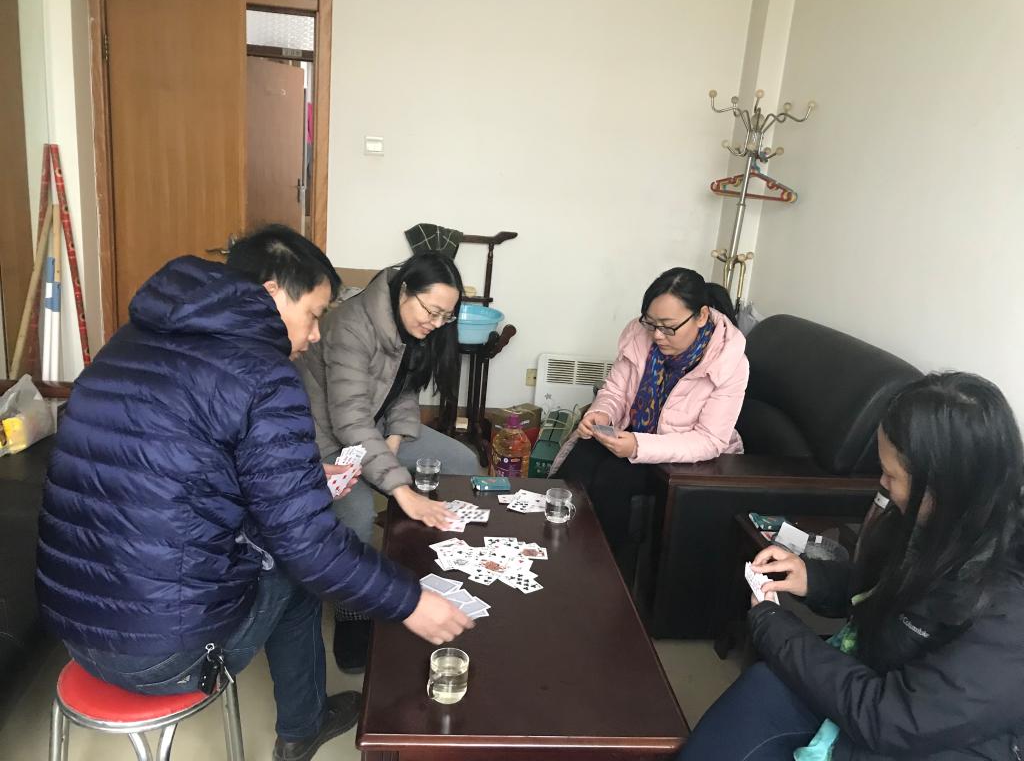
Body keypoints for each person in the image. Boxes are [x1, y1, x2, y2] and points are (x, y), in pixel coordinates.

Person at [35, 226, 472, 761]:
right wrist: (410, 601)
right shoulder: (264, 373)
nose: (316, 335)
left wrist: (298, 478)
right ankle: (303, 726)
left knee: (271, 543)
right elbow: (307, 544)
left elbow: (183, 471)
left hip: (75, 629)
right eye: (313, 315)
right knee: (296, 571)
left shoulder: (126, 344)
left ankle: (304, 717)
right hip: (161, 655)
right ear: (271, 293)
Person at [680, 372, 1024, 761]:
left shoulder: (1009, 616)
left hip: (909, 738)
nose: (883, 484)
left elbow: (892, 720)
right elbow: (884, 590)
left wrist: (773, 628)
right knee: (765, 685)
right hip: (874, 683)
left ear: (944, 486)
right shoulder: (935, 524)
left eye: (892, 475)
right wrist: (813, 579)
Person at [296, 251, 481, 672]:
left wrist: (394, 440)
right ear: (404, 291)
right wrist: (400, 488)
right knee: (358, 514)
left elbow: (404, 389)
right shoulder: (351, 325)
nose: (436, 323)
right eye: (432, 311)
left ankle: (425, 568)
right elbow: (349, 421)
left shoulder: (413, 324)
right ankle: (353, 615)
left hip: (374, 428)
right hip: (327, 438)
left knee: (462, 460)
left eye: (446, 317)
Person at [551, 267, 748, 563]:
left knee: (612, 479)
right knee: (581, 456)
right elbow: (615, 392)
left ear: (702, 316)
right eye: (651, 323)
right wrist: (601, 413)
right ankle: (551, 549)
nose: (657, 335)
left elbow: (709, 440)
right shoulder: (638, 336)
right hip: (632, 434)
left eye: (668, 327)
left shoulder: (730, 362)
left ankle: (602, 571)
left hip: (681, 456)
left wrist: (638, 446)